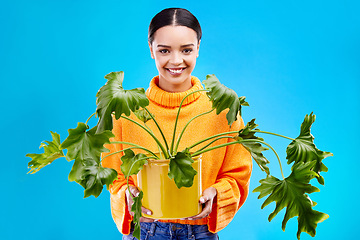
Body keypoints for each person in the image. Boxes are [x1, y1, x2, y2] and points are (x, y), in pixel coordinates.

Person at [102, 8, 252, 240]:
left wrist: (217, 193)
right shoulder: (127, 110)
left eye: (186, 50)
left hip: (201, 231)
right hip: (145, 231)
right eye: (164, 50)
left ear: (198, 49)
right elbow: (113, 175)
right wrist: (127, 195)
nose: (176, 60)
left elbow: (237, 173)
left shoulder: (222, 107)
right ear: (151, 50)